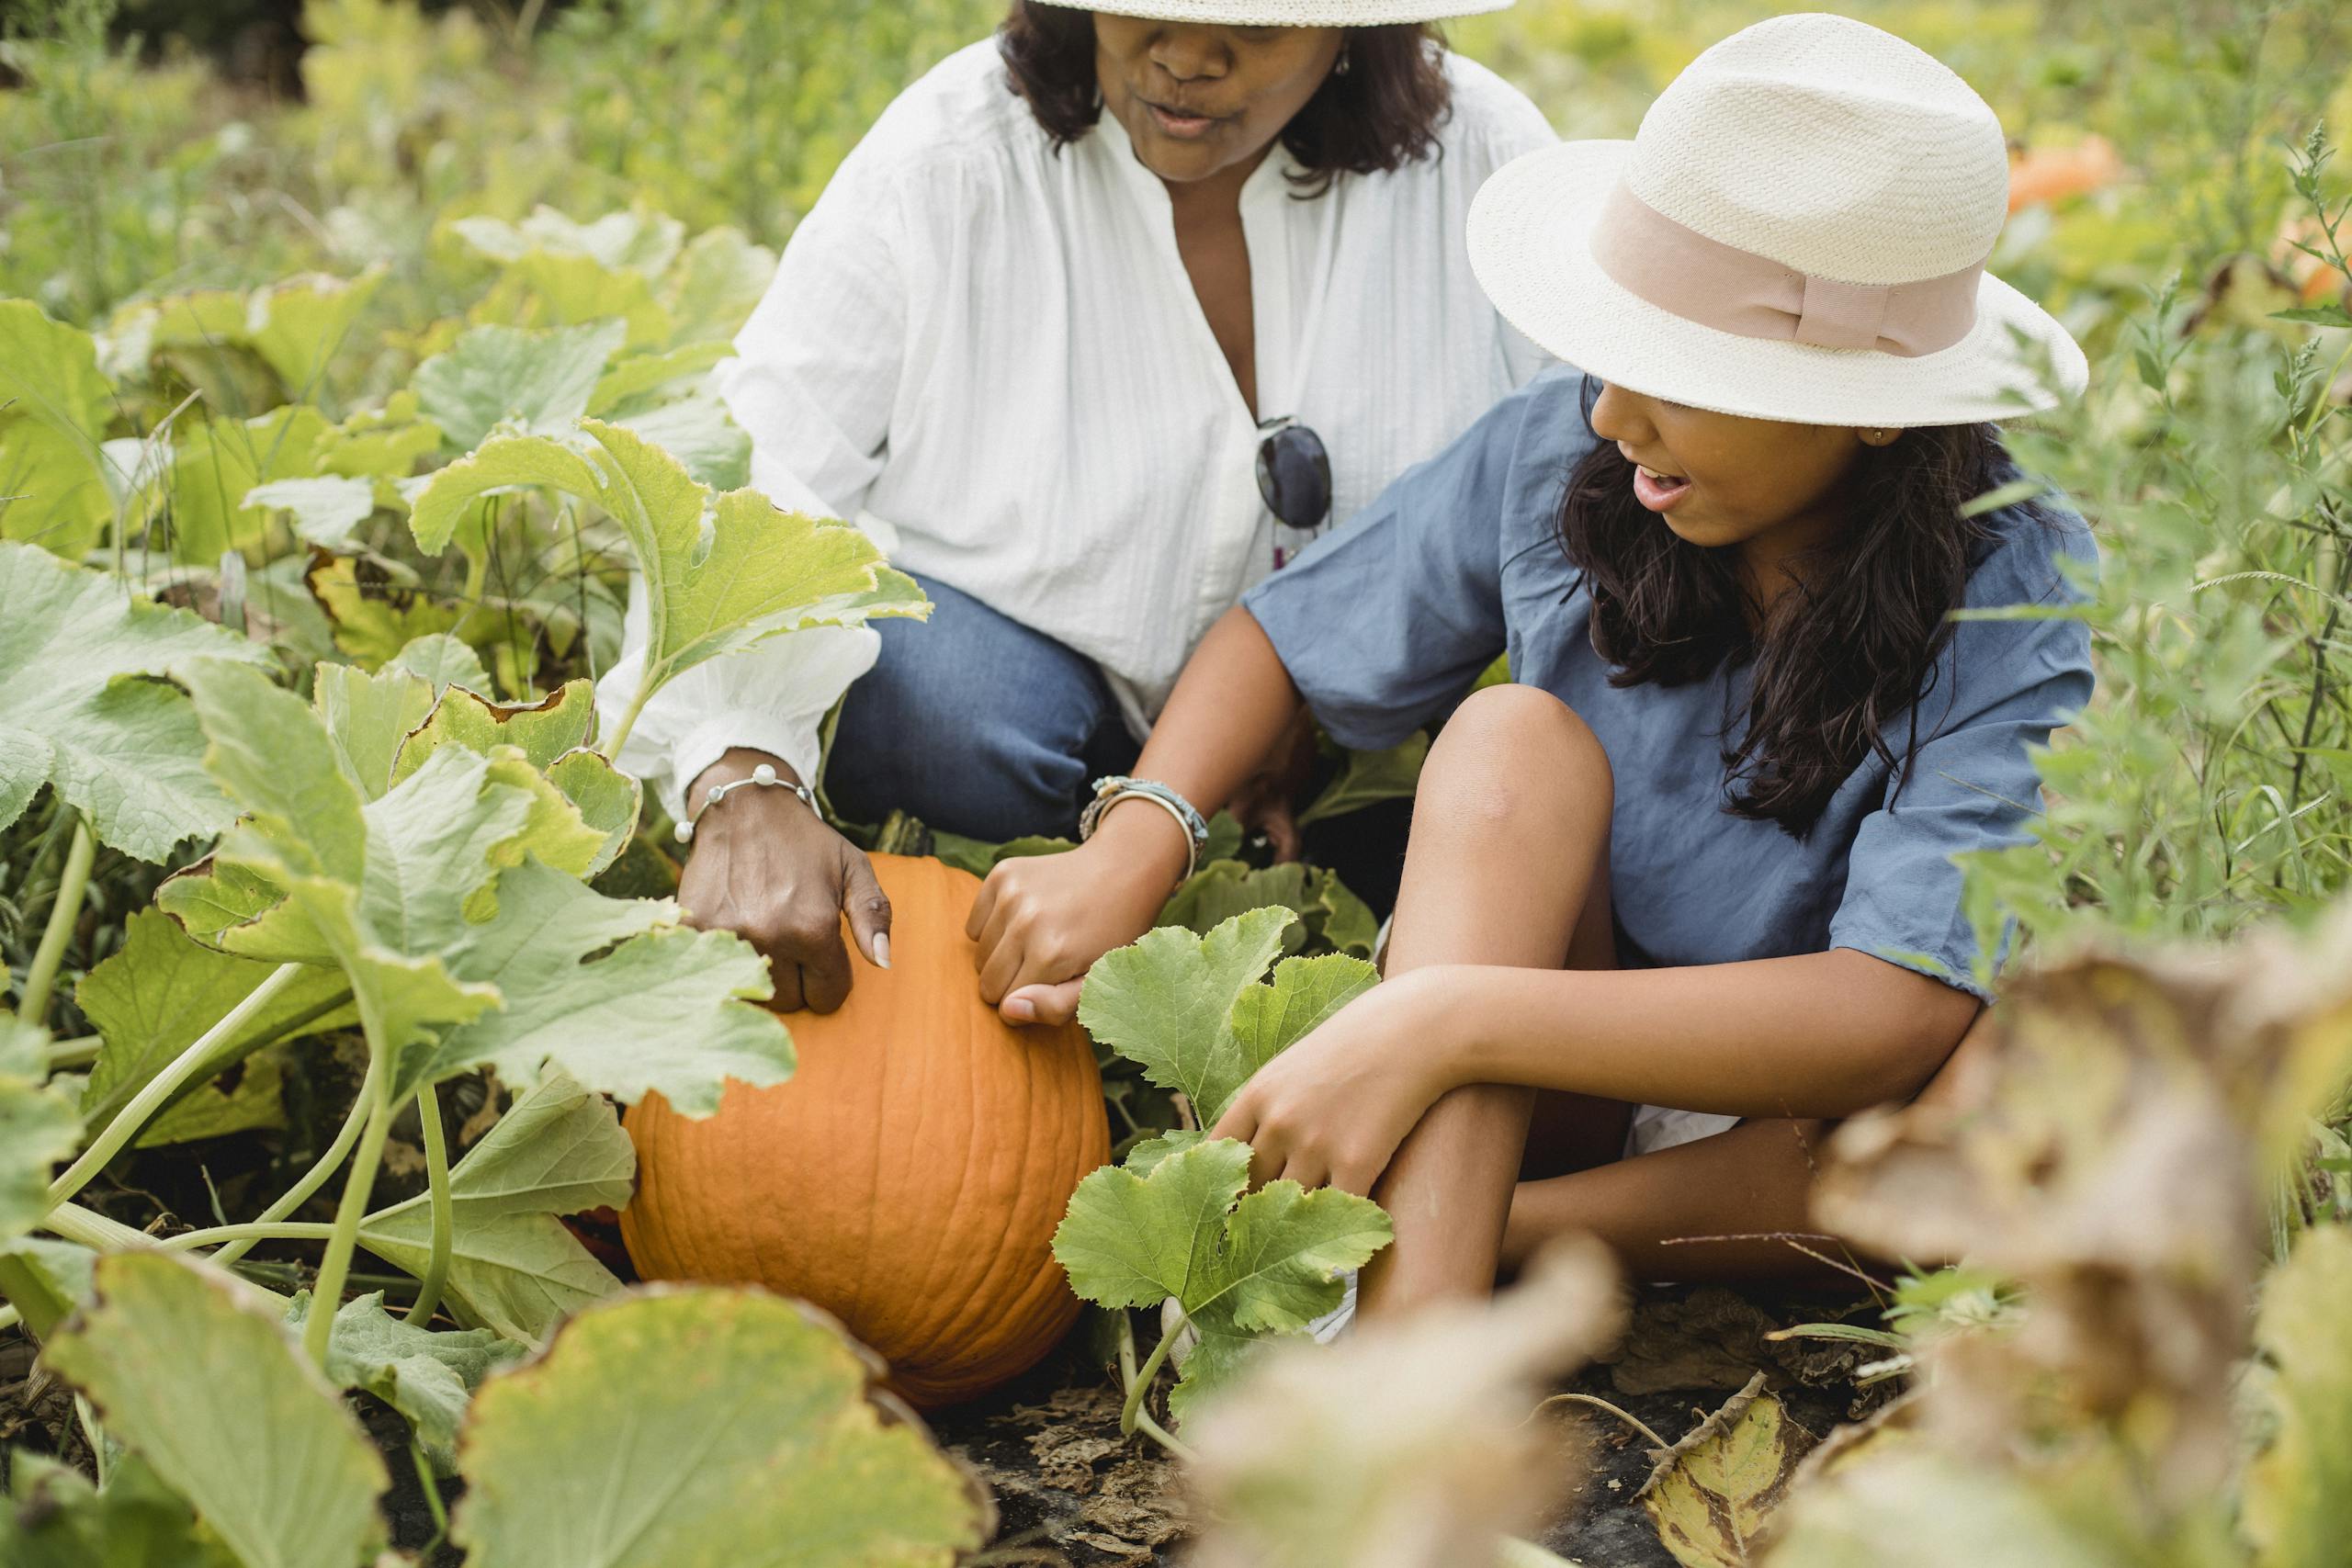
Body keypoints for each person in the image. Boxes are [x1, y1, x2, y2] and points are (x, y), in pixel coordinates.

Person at [968, 13, 2098, 1314]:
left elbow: (1887, 1012)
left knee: (2004, 1090)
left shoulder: (2017, 590)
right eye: (1619, 351)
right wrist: (1141, 835)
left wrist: (1441, 1018)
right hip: (1552, 1042)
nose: (1615, 414)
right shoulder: (1575, 449)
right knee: (1512, 740)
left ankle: (1480, 1234)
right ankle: (1411, 1351)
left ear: (1876, 407)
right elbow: (1280, 633)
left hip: (1801, 1127)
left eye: (1686, 373)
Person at [594, 0, 1556, 1013]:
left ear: (1354, 28)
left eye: (1259, 28)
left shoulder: (1483, 166)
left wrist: (1319, 686)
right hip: (1026, 712)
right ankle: (1064, 886)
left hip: (1351, 740)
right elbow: (767, 461)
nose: (1186, 56)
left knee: (1467, 797)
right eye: (1140, 7)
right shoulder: (950, 155)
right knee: (929, 702)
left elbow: (1581, 484)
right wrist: (741, 773)